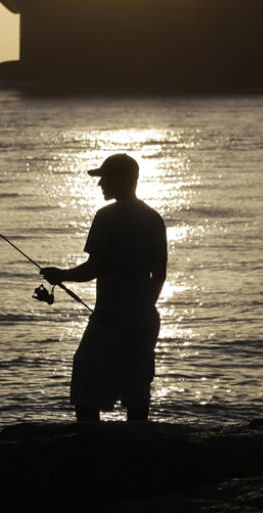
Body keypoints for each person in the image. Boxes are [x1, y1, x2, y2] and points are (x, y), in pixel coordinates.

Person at [41, 153, 167, 422]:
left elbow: (93, 269)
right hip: (144, 318)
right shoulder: (154, 218)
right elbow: (160, 274)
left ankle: (91, 449)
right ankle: (139, 449)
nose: (100, 185)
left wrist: (59, 275)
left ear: (122, 180)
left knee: (86, 384)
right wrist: (144, 306)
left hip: (110, 319)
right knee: (136, 389)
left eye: (104, 178)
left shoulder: (106, 217)